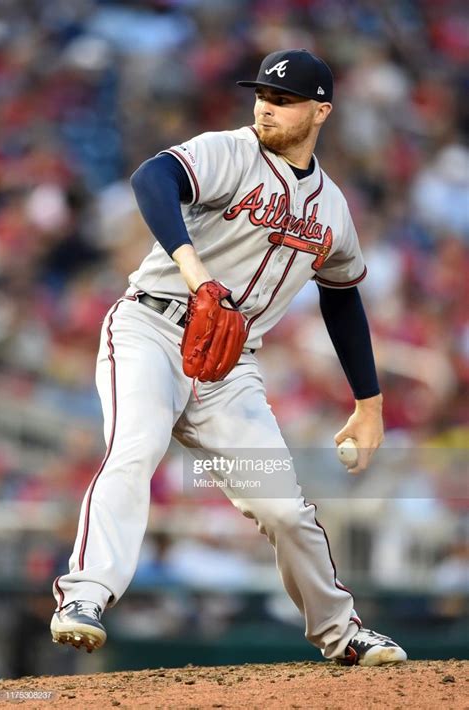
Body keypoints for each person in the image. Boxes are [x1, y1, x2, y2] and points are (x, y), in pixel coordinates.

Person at [50, 49, 407, 666]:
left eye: (287, 99)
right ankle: (84, 595)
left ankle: (341, 632)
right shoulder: (231, 150)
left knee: (285, 511)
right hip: (151, 329)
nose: (267, 105)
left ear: (321, 111)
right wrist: (196, 274)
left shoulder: (332, 209)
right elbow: (152, 179)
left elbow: (343, 300)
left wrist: (369, 403)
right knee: (135, 449)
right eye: (263, 94)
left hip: (229, 369)